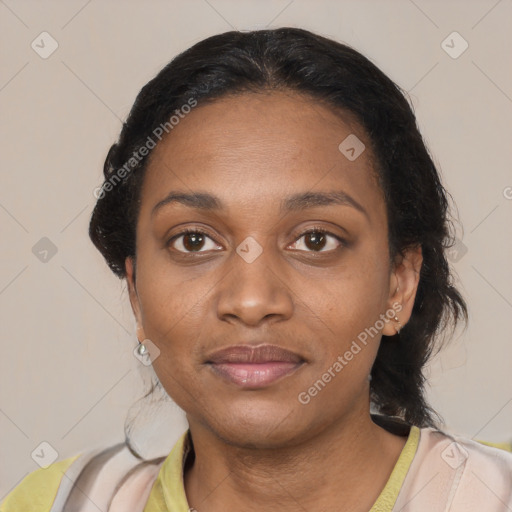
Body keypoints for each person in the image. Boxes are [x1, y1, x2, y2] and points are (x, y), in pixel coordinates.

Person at [2, 27, 511, 512]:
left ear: (399, 285)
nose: (250, 300)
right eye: (194, 240)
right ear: (135, 292)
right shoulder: (62, 500)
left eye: (316, 239)